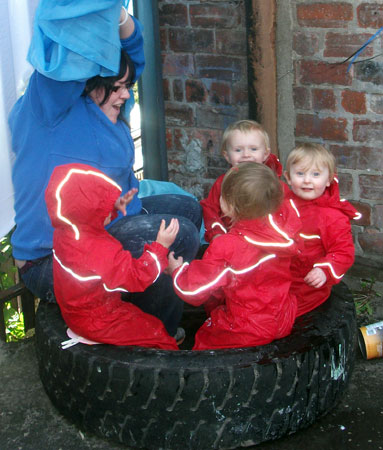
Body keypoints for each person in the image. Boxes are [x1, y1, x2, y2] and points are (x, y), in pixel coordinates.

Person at [8, 2, 201, 337]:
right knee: (179, 234)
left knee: (188, 209)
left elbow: (131, 57)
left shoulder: (107, 113)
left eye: (128, 85)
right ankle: (156, 338)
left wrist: (120, 16)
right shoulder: (48, 111)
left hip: (98, 235)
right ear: (90, 83)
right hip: (54, 260)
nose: (127, 93)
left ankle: (140, 310)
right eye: (118, 87)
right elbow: (67, 57)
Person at [167, 162, 301, 350]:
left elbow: (194, 291)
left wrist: (177, 270)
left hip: (246, 328)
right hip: (283, 318)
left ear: (229, 206)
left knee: (206, 339)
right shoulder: (282, 233)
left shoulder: (227, 246)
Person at [44, 163, 179, 349]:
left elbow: (89, 218)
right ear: (89, 212)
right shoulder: (98, 251)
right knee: (157, 334)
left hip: (76, 310)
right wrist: (160, 247)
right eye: (103, 206)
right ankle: (168, 363)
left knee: (144, 323)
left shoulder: (66, 230)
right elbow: (137, 277)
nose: (109, 210)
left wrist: (113, 206)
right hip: (100, 318)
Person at [283, 143, 361, 317]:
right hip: (279, 274)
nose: (307, 180)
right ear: (288, 178)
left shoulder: (332, 216)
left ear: (329, 180)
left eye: (315, 174)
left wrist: (324, 270)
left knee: (282, 315)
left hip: (307, 285)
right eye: (300, 173)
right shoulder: (282, 203)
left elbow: (343, 251)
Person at [200, 120, 282, 243]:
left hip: (264, 242)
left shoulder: (273, 184)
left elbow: (282, 217)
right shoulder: (223, 183)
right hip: (231, 241)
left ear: (265, 154)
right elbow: (210, 210)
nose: (246, 155)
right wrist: (217, 234)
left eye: (253, 149)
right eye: (238, 150)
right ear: (227, 155)